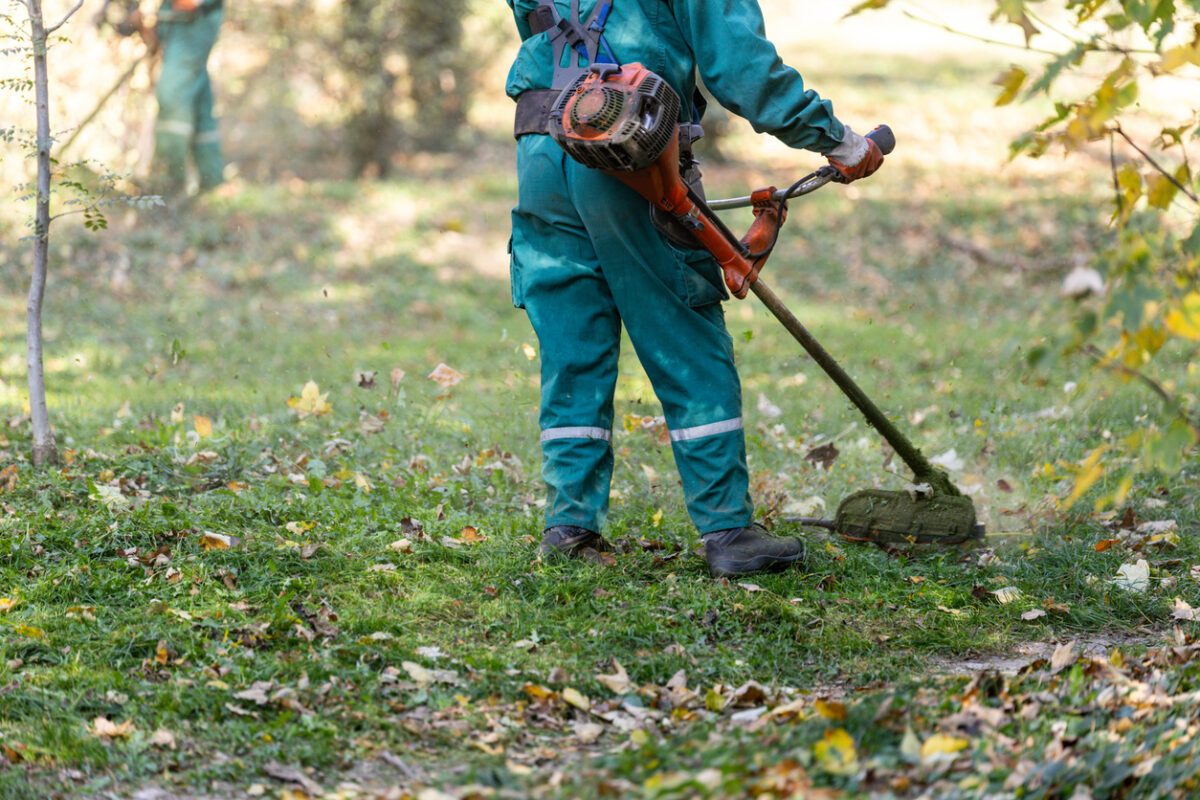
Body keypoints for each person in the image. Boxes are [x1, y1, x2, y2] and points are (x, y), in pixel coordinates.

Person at [504, 0, 883, 577]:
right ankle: (728, 530)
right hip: (631, 154)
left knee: (571, 342)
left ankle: (570, 526)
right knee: (685, 336)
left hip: (543, 146)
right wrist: (836, 139)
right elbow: (740, 68)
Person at [147, 0, 225, 195]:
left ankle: (166, 185)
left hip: (192, 33)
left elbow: (189, 3)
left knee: (171, 101)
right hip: (180, 36)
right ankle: (212, 183)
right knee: (199, 108)